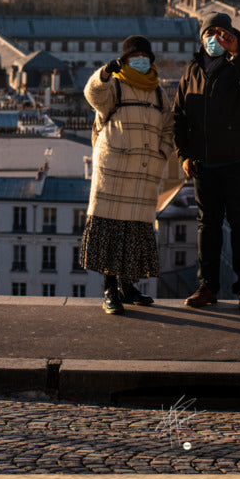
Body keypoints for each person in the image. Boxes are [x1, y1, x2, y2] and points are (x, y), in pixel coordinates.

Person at [172, 12, 240, 310]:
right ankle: (208, 287)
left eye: (221, 33)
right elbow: (178, 115)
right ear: (201, 38)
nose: (215, 38)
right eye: (209, 32)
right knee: (208, 226)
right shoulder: (192, 70)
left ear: (232, 36)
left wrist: (237, 53)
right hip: (205, 163)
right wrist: (184, 154)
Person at [81, 35, 176, 315]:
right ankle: (110, 289)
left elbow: (169, 127)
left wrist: (162, 153)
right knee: (112, 229)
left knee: (134, 232)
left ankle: (128, 286)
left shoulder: (158, 93)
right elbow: (93, 95)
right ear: (124, 60)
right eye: (134, 57)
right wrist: (104, 73)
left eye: (145, 57)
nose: (141, 61)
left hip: (144, 174)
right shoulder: (116, 87)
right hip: (115, 171)